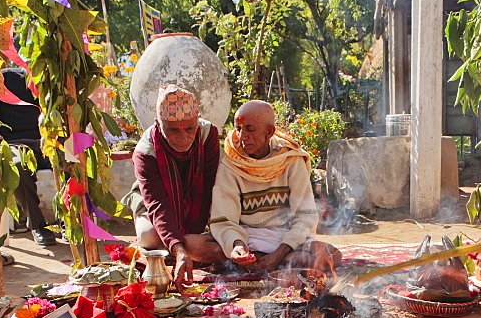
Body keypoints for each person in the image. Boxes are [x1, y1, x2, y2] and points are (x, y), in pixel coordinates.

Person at [209, 100, 340, 272]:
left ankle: (269, 260)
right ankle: (277, 262)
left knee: (333, 254)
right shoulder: (231, 163)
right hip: (247, 237)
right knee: (194, 245)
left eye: (250, 129)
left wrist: (281, 251)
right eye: (238, 129)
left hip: (284, 237)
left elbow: (305, 215)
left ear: (269, 131)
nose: (242, 137)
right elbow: (224, 220)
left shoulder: (290, 159)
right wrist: (236, 245)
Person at [129, 85, 225, 287]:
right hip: (156, 203)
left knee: (222, 232)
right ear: (159, 124)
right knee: (148, 236)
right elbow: (156, 203)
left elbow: (209, 187)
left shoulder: (208, 134)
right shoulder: (145, 152)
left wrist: (192, 237)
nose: (182, 137)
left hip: (195, 200)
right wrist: (180, 250)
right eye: (173, 129)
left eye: (189, 128)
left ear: (197, 124)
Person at [0, 67, 58, 246]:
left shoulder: (58, 76)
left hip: (52, 141)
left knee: (73, 162)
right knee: (19, 166)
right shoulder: (7, 78)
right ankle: (37, 225)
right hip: (17, 142)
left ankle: (69, 223)